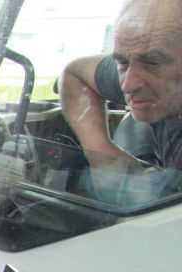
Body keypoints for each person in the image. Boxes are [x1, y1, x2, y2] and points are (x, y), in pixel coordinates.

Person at [59, 0, 182, 203]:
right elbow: (74, 73)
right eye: (122, 62)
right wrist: (102, 153)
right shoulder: (138, 66)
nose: (127, 85)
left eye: (153, 62)